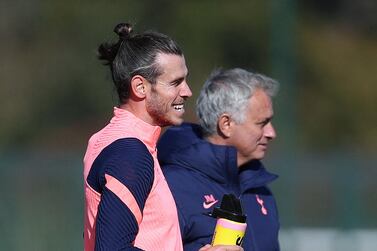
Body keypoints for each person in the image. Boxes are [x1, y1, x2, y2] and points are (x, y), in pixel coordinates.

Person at [83, 23, 243, 251]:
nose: (187, 92)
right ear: (140, 87)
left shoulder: (109, 139)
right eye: (175, 82)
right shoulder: (130, 152)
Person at [158, 68, 280, 251]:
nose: (272, 133)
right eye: (262, 123)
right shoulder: (170, 187)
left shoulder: (261, 191)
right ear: (226, 124)